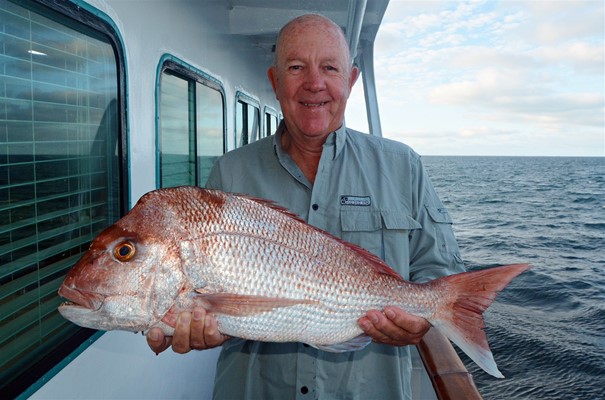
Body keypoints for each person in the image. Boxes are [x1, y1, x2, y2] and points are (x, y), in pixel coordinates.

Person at [147, 13, 465, 399]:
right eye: (296, 67)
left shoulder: (404, 166)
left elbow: (440, 271)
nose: (315, 83)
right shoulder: (231, 172)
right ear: (275, 82)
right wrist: (204, 327)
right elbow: (220, 306)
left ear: (350, 81)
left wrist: (422, 319)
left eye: (329, 67)